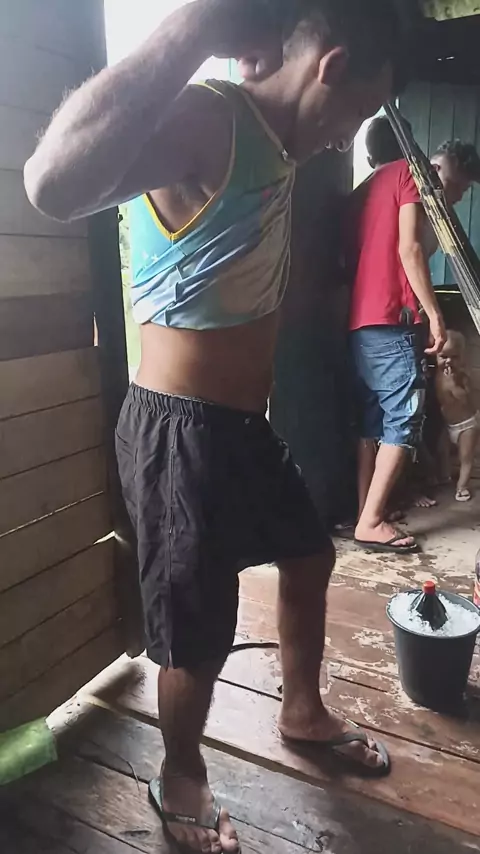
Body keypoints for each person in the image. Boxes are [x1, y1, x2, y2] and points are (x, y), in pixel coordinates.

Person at [24, 1, 405, 850]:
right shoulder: (212, 118)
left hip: (237, 427)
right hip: (179, 432)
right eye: (355, 113)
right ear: (330, 68)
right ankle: (180, 775)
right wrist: (198, 25)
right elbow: (50, 184)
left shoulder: (275, 143)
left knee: (309, 554)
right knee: (197, 631)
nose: (347, 137)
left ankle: (301, 712)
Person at [348, 123, 480, 554]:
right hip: (392, 317)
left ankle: (366, 510)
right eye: (454, 185)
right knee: (405, 418)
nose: (452, 196)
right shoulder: (412, 175)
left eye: (461, 191)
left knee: (374, 420)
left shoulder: (376, 182)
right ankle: (371, 521)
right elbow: (410, 250)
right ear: (436, 166)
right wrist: (435, 316)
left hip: (363, 319)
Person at [436, 330, 480, 502]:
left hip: (466, 425)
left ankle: (462, 486)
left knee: (466, 458)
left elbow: (464, 399)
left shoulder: (462, 376)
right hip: (448, 424)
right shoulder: (437, 375)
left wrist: (454, 384)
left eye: (454, 357)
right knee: (442, 451)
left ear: (462, 358)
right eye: (443, 356)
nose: (448, 361)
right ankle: (445, 476)